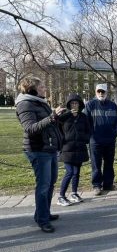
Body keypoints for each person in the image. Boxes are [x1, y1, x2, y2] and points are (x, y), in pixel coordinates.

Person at [15, 76, 65, 233]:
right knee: (43, 186)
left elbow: (48, 125)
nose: (45, 88)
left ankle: (43, 214)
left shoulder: (40, 102)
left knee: (50, 183)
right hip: (37, 149)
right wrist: (52, 117)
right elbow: (30, 128)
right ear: (32, 89)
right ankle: (42, 220)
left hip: (48, 148)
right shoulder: (25, 103)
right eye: (42, 86)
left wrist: (59, 117)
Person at [84, 84, 117, 195]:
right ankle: (96, 185)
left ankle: (108, 184)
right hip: (95, 141)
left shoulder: (113, 106)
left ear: (107, 92)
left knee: (109, 164)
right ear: (95, 92)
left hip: (110, 141)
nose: (101, 93)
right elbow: (86, 122)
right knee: (96, 164)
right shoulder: (90, 105)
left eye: (103, 91)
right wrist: (91, 136)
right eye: (99, 91)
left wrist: (114, 134)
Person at [57, 93, 91, 207]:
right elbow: (57, 126)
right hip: (67, 148)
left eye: (76, 103)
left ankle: (74, 193)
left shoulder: (83, 117)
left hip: (80, 148)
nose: (74, 105)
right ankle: (61, 196)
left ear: (80, 104)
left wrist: (85, 139)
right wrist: (62, 141)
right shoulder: (65, 116)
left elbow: (88, 130)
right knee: (70, 172)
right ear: (69, 104)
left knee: (77, 172)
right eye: (72, 103)